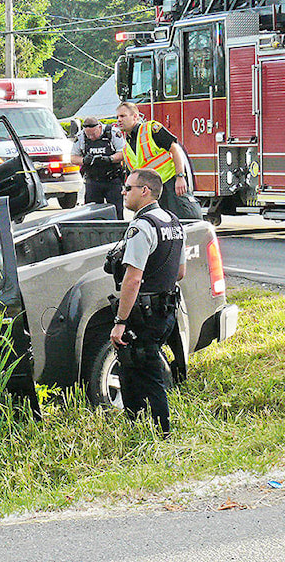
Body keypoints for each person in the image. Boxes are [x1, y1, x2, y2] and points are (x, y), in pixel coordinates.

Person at [106, 168, 186, 436]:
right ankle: (135, 428)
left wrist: (120, 322)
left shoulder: (142, 226)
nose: (123, 192)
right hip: (166, 312)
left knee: (150, 375)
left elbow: (132, 280)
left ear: (145, 191)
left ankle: (162, 435)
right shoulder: (173, 222)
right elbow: (180, 272)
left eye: (128, 188)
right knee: (131, 369)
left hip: (145, 314)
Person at [115, 102, 202, 220]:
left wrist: (180, 177)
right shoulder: (126, 147)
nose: (119, 120)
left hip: (170, 185)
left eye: (123, 116)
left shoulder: (151, 129)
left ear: (135, 116)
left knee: (185, 219)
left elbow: (175, 149)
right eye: (117, 117)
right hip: (151, 194)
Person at [70, 117, 125, 218]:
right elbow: (73, 158)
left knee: (117, 213)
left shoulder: (112, 133)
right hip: (93, 181)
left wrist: (109, 159)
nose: (91, 137)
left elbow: (123, 153)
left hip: (112, 180)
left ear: (99, 127)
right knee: (91, 214)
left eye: (94, 134)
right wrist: (84, 160)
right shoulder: (81, 136)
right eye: (88, 135)